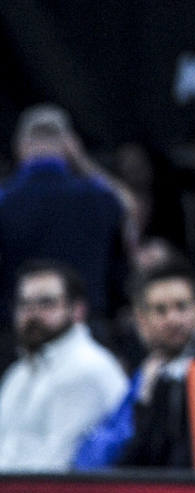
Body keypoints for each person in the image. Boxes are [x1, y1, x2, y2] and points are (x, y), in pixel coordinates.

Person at [0, 104, 130, 335]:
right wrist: (83, 161)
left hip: (20, 335)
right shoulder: (99, 196)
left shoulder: (4, 199)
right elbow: (130, 207)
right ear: (69, 145)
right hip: (88, 329)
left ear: (19, 147)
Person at [0, 260, 128, 471]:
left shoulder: (87, 368)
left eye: (46, 303)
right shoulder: (18, 373)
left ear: (77, 310)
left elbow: (57, 468)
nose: (32, 314)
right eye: (24, 304)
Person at [115, 256, 195, 468]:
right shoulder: (147, 373)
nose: (173, 319)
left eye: (182, 307)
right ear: (141, 319)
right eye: (160, 310)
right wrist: (143, 402)